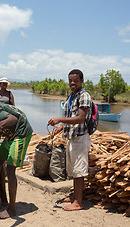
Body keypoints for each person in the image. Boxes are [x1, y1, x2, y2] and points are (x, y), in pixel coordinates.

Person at [47, 69, 92, 211]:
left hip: (80, 137)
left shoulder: (84, 96)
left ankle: (78, 202)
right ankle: (75, 196)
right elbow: (70, 116)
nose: (73, 83)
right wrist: (61, 127)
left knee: (79, 171)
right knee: (73, 170)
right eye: (70, 80)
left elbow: (80, 118)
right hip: (71, 138)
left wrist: (59, 119)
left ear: (82, 80)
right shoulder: (72, 96)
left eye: (76, 80)